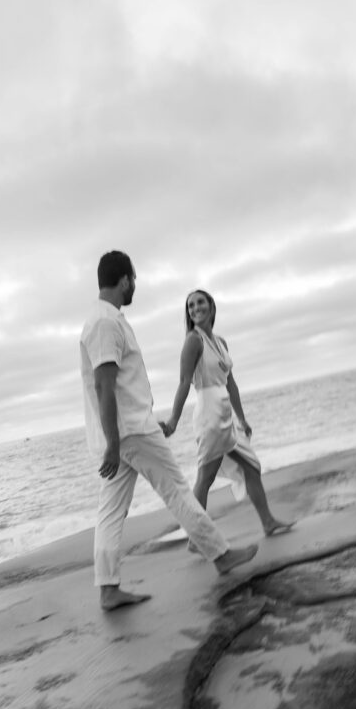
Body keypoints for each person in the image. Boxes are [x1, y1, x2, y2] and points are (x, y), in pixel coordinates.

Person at [80, 252, 258, 611]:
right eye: (134, 279)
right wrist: (114, 442)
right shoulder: (104, 323)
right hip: (131, 430)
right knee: (177, 489)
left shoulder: (107, 319)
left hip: (123, 432)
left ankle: (109, 589)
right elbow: (103, 385)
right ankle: (221, 555)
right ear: (125, 279)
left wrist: (113, 441)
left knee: (111, 509)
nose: (135, 286)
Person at [160, 289, 293, 540]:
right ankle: (197, 537)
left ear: (211, 306)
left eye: (200, 302)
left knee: (251, 466)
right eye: (190, 306)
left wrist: (241, 418)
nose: (195, 308)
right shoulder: (193, 341)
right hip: (208, 414)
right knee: (205, 477)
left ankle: (268, 522)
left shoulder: (221, 342)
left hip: (225, 414)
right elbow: (183, 381)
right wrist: (172, 421)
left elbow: (230, 384)